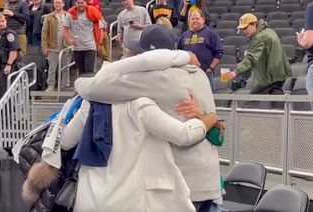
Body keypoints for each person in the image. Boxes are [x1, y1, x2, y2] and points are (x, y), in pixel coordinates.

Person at [75, 25, 223, 212]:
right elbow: (211, 116)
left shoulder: (155, 77)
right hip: (209, 178)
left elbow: (91, 89)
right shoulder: (200, 73)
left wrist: (80, 81)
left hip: (183, 183)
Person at [224, 13, 292, 96]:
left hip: (268, 76)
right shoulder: (269, 31)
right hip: (277, 73)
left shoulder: (259, 37)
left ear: (254, 24)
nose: (244, 31)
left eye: (245, 27)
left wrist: (236, 71)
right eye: (242, 29)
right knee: (276, 95)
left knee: (251, 102)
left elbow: (251, 58)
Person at [178, 10, 223, 91]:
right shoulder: (184, 35)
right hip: (188, 74)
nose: (195, 20)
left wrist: (210, 69)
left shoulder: (211, 34)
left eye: (197, 18)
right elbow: (179, 53)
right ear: (189, 21)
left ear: (203, 20)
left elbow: (219, 53)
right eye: (192, 19)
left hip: (205, 73)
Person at [63, 0, 103, 76]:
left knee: (89, 70)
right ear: (75, 4)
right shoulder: (70, 14)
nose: (80, 5)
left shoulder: (92, 13)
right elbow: (65, 29)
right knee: (81, 71)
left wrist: (100, 43)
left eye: (82, 3)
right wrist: (69, 40)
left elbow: (100, 29)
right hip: (77, 48)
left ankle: (88, 87)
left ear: (86, 3)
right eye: (78, 3)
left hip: (90, 47)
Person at [42, 0, 72, 91]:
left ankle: (65, 85)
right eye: (56, 3)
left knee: (65, 67)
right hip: (53, 46)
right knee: (52, 68)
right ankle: (51, 85)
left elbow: (73, 30)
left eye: (59, 3)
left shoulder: (69, 16)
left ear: (63, 4)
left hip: (66, 45)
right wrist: (45, 46)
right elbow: (44, 32)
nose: (57, 4)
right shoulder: (49, 17)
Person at [0, 12, 21, 97]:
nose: (1, 23)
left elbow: (14, 50)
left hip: (10, 67)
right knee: (3, 90)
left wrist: (8, 64)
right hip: (2, 66)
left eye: (2, 21)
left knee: (7, 92)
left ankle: (11, 110)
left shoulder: (9, 34)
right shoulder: (0, 35)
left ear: (6, 21)